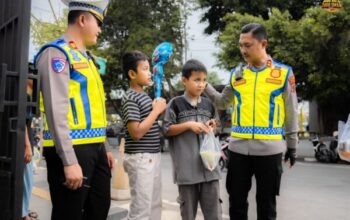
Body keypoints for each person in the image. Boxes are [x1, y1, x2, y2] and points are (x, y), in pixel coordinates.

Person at [204, 23, 299, 220]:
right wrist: (204, 85)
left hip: (270, 151)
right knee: (236, 204)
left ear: (263, 43)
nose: (243, 50)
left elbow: (291, 111)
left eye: (248, 45)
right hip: (238, 150)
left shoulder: (283, 74)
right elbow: (223, 101)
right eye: (241, 45)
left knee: (267, 205)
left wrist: (292, 146)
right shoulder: (238, 74)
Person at [34, 1, 114, 219]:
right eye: (98, 23)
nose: (99, 29)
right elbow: (55, 109)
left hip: (95, 148)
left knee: (99, 210)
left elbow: (94, 108)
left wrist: (104, 145)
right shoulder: (56, 53)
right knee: (68, 214)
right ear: (82, 19)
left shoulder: (86, 58)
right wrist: (69, 161)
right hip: (71, 149)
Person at [163, 59, 222, 220]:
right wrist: (188, 125)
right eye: (196, 80)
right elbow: (166, 130)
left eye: (204, 80)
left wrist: (211, 125)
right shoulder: (175, 104)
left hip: (210, 170)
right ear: (184, 80)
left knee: (215, 214)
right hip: (187, 173)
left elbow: (216, 126)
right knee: (188, 215)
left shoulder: (209, 105)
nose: (201, 84)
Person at [121, 50, 166, 220]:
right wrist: (156, 111)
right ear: (132, 74)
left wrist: (156, 110)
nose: (150, 73)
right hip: (141, 159)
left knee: (154, 207)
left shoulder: (145, 96)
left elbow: (148, 123)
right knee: (141, 211)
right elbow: (136, 132)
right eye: (145, 69)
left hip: (152, 156)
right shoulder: (130, 97)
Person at [22, 79, 37, 220]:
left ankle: (24, 210)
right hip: (24, 142)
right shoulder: (24, 94)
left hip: (26, 140)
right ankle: (23, 213)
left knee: (28, 179)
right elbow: (23, 123)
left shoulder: (29, 94)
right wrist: (27, 146)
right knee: (27, 180)